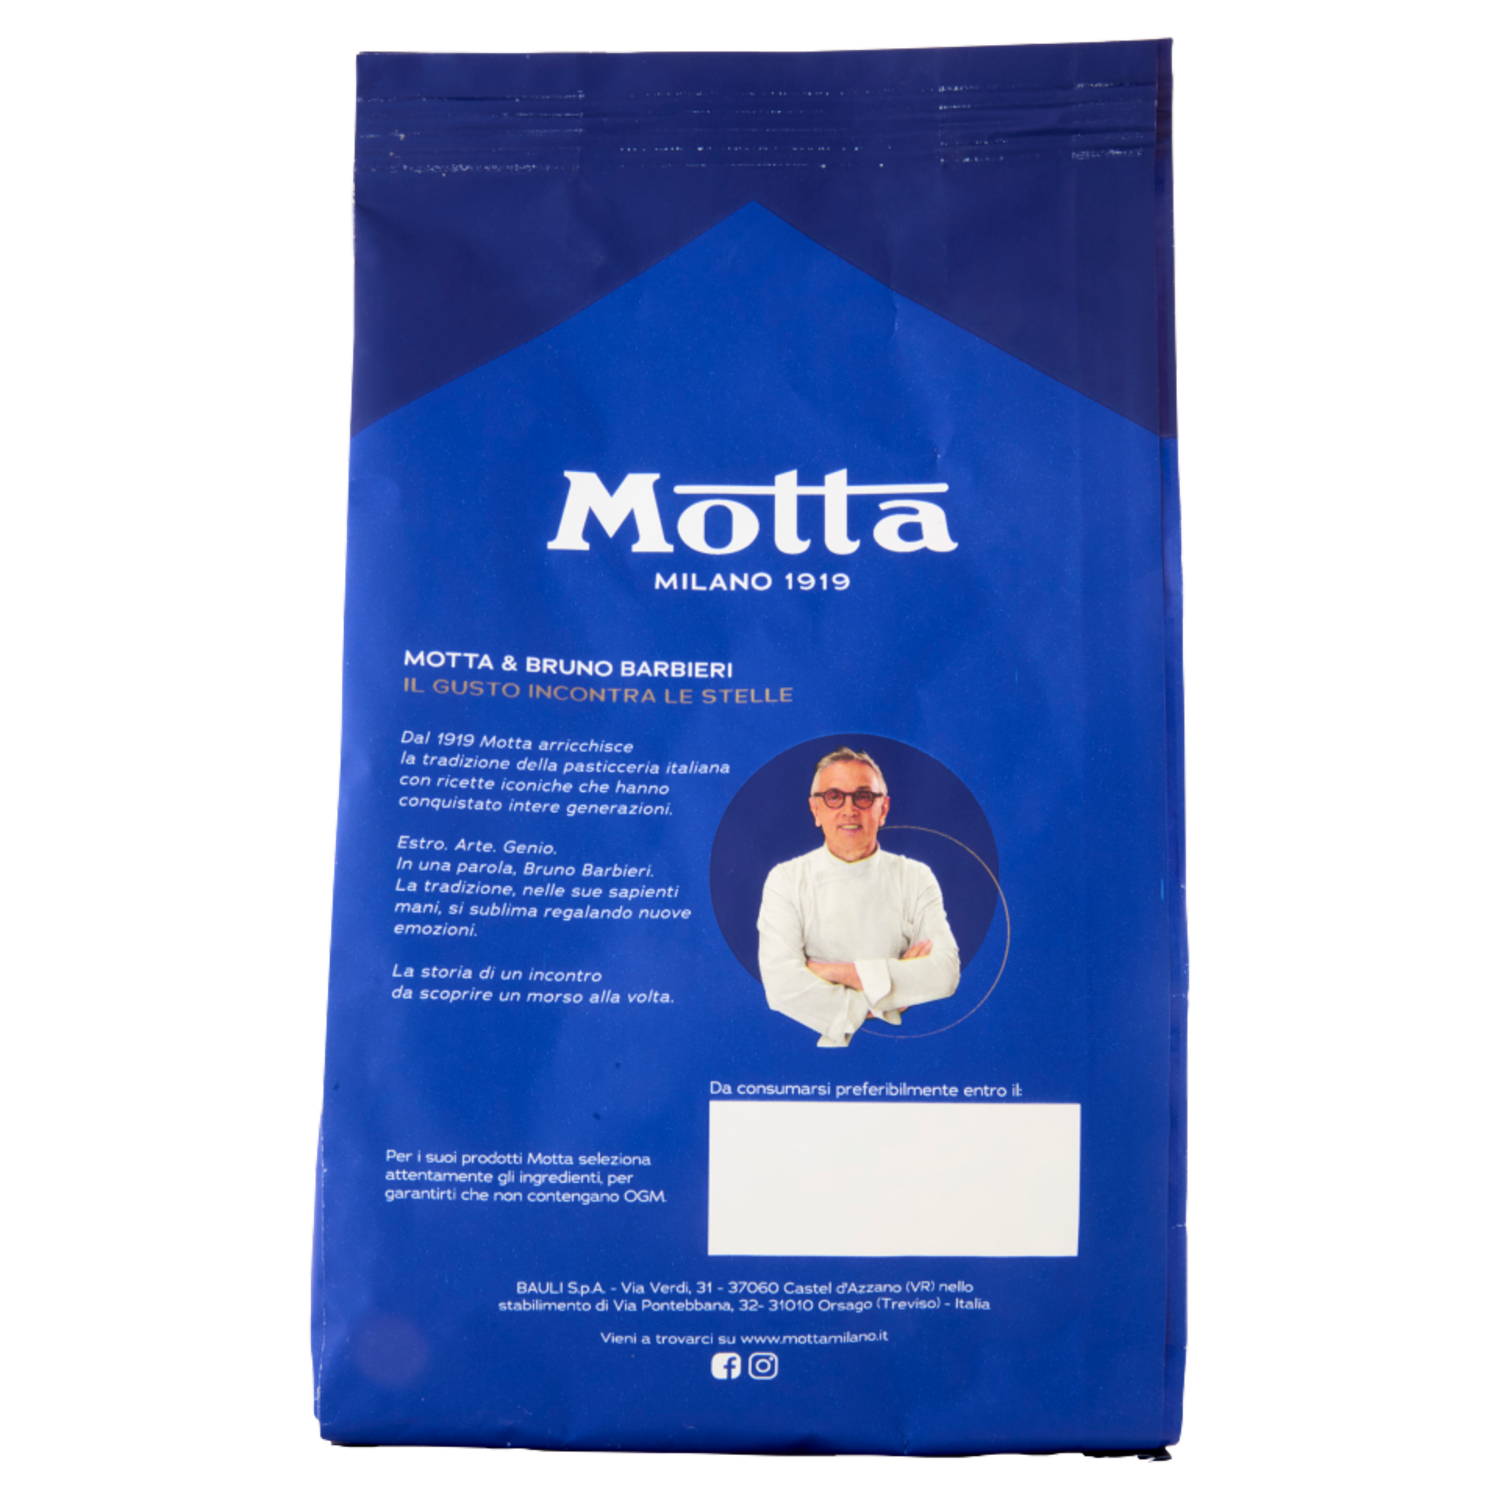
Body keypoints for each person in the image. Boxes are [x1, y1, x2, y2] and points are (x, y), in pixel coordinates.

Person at [757, 747, 960, 1047]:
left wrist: (830, 971)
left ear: (883, 809)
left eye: (863, 796)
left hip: (906, 1045)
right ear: (816, 810)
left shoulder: (916, 877)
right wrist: (886, 999)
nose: (849, 810)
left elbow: (945, 974)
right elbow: (781, 987)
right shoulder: (785, 880)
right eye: (834, 797)